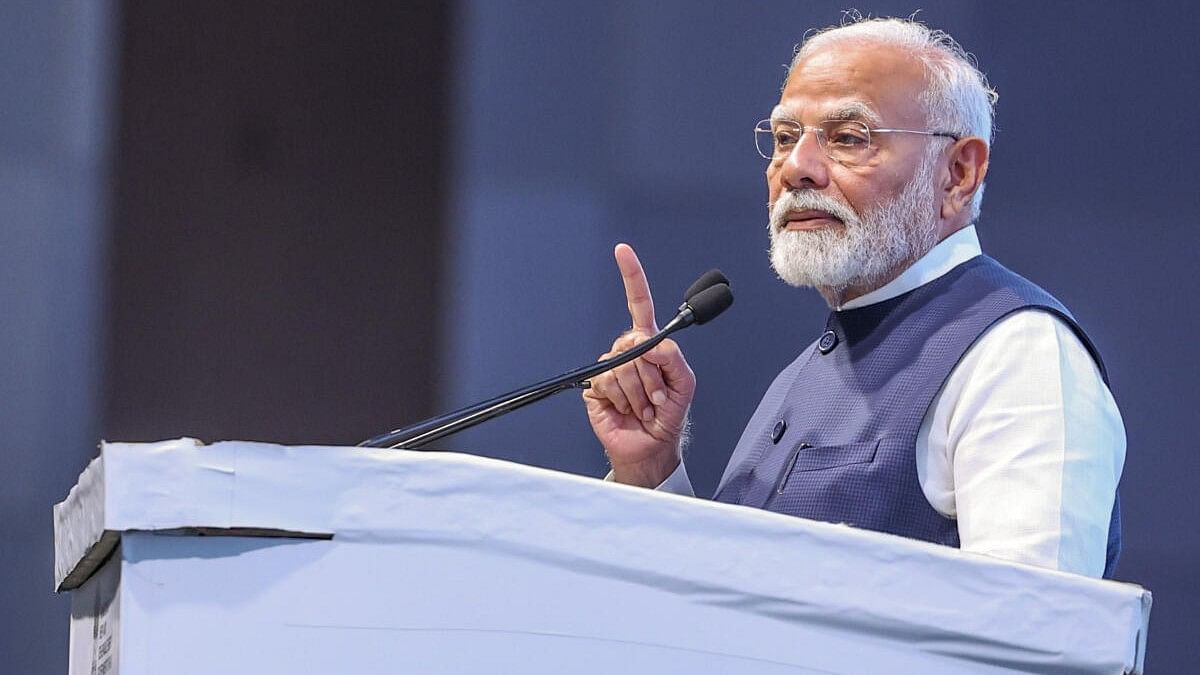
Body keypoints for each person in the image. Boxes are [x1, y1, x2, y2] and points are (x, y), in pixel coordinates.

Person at [581, 17, 1124, 579]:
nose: (796, 168)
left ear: (959, 172)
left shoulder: (1019, 356)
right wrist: (652, 469)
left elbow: (1037, 636)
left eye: (847, 138)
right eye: (786, 138)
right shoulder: (815, 362)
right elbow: (727, 605)